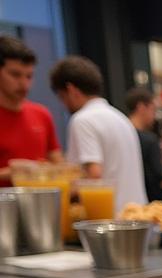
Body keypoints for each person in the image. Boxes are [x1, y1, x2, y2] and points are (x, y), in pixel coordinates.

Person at [49, 55, 146, 209]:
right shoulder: (120, 118)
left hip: (109, 221)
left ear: (71, 89)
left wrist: (57, 194)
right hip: (136, 214)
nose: (63, 104)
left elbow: (94, 176)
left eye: (62, 97)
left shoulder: (82, 120)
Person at [0, 35, 61, 182]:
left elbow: (59, 165)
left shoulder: (41, 114)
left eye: (29, 76)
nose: (24, 84)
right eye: (15, 75)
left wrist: (45, 169)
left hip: (39, 202)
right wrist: (11, 173)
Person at [125, 87, 162, 202]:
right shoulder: (150, 140)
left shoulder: (120, 134)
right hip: (150, 201)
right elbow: (159, 175)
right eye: (153, 110)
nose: (154, 116)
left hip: (126, 200)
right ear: (141, 107)